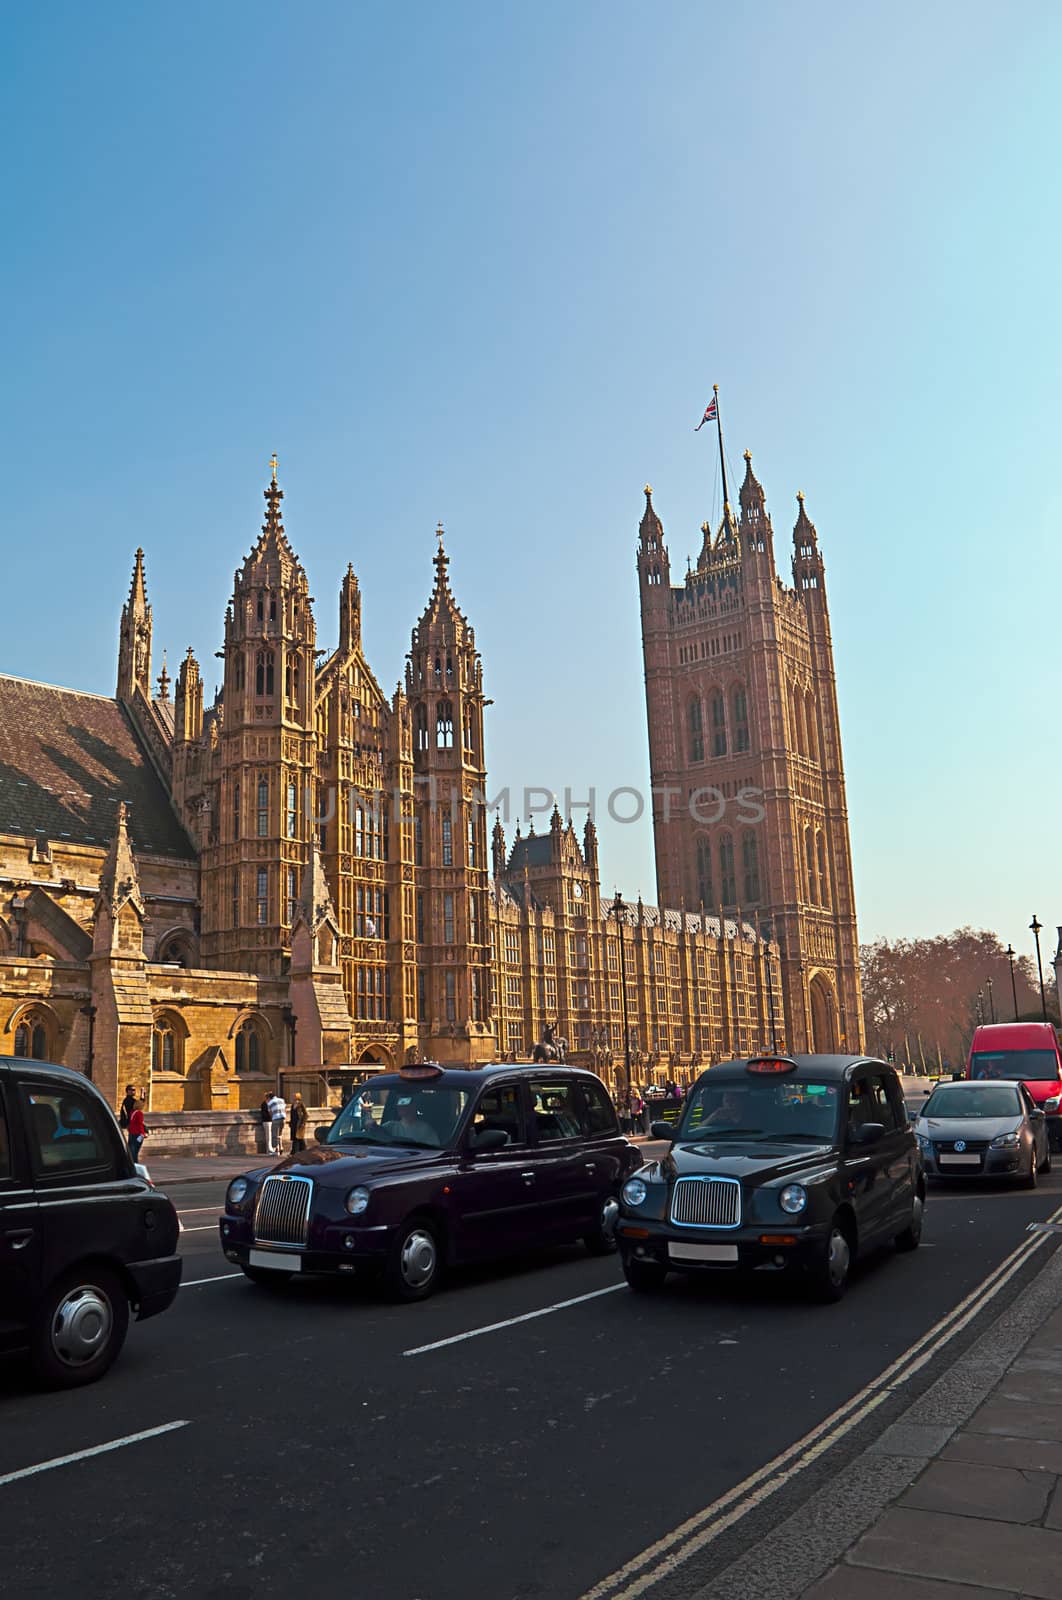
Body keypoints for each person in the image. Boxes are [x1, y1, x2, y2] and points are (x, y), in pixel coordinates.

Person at [266, 1090, 286, 1156]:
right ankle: (281, 1147)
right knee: (280, 1134)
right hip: (283, 1118)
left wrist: (272, 1118)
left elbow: (270, 1112)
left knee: (274, 1134)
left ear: (269, 1097)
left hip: (276, 1118)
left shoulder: (270, 1103)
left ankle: (276, 1150)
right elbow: (284, 1108)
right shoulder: (282, 1100)